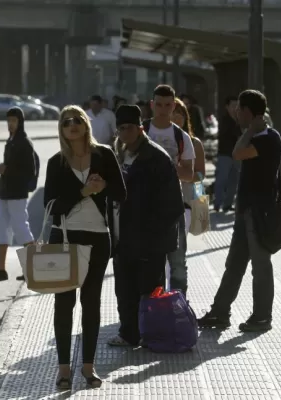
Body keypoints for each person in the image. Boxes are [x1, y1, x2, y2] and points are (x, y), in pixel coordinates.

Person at [45, 105, 126, 389]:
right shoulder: (57, 162)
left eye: (77, 119)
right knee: (64, 303)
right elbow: (52, 207)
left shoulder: (104, 155)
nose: (72, 125)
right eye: (66, 122)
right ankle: (64, 370)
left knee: (91, 302)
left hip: (97, 237)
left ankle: (89, 368)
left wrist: (102, 187)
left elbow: (122, 193)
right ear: (61, 129)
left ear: (85, 123)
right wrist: (84, 192)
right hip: (65, 237)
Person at [198, 89, 281, 332]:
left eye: (239, 109)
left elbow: (237, 154)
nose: (235, 112)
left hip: (260, 213)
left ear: (247, 112)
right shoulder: (256, 136)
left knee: (260, 266)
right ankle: (220, 312)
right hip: (245, 212)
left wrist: (250, 131)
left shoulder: (268, 138)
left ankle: (262, 316)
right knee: (234, 263)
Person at [108, 105, 184, 347]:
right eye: (121, 128)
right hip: (123, 237)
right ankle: (129, 334)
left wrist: (153, 236)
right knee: (124, 290)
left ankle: (153, 334)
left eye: (129, 127)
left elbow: (173, 205)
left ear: (140, 128)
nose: (124, 133)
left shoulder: (156, 157)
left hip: (148, 240)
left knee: (149, 291)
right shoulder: (119, 155)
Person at [144, 84, 195, 296]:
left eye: (167, 105)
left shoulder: (182, 137)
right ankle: (148, 305)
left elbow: (190, 174)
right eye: (159, 104)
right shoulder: (140, 132)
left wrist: (167, 165)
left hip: (174, 209)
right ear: (152, 104)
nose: (163, 109)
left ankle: (178, 305)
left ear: (173, 106)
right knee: (147, 262)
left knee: (178, 262)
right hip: (144, 208)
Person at [0, 107, 36, 284]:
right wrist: (5, 170)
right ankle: (0, 269)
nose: (10, 124)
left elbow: (30, 171)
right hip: (5, 192)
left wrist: (8, 170)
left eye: (13, 121)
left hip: (17, 193)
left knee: (21, 228)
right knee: (1, 228)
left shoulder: (24, 142)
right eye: (8, 121)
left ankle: (33, 268)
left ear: (20, 122)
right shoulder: (11, 141)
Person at [173, 97, 206, 233]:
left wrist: (185, 175)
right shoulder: (155, 142)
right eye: (173, 114)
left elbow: (201, 174)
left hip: (188, 198)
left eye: (181, 114)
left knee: (181, 242)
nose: (177, 118)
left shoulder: (194, 143)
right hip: (163, 198)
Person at [213, 96, 242, 212]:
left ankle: (228, 204)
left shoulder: (240, 120)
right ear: (227, 107)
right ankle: (217, 204)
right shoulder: (224, 120)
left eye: (237, 106)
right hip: (225, 153)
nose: (235, 108)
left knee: (234, 180)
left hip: (237, 155)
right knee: (222, 179)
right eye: (233, 105)